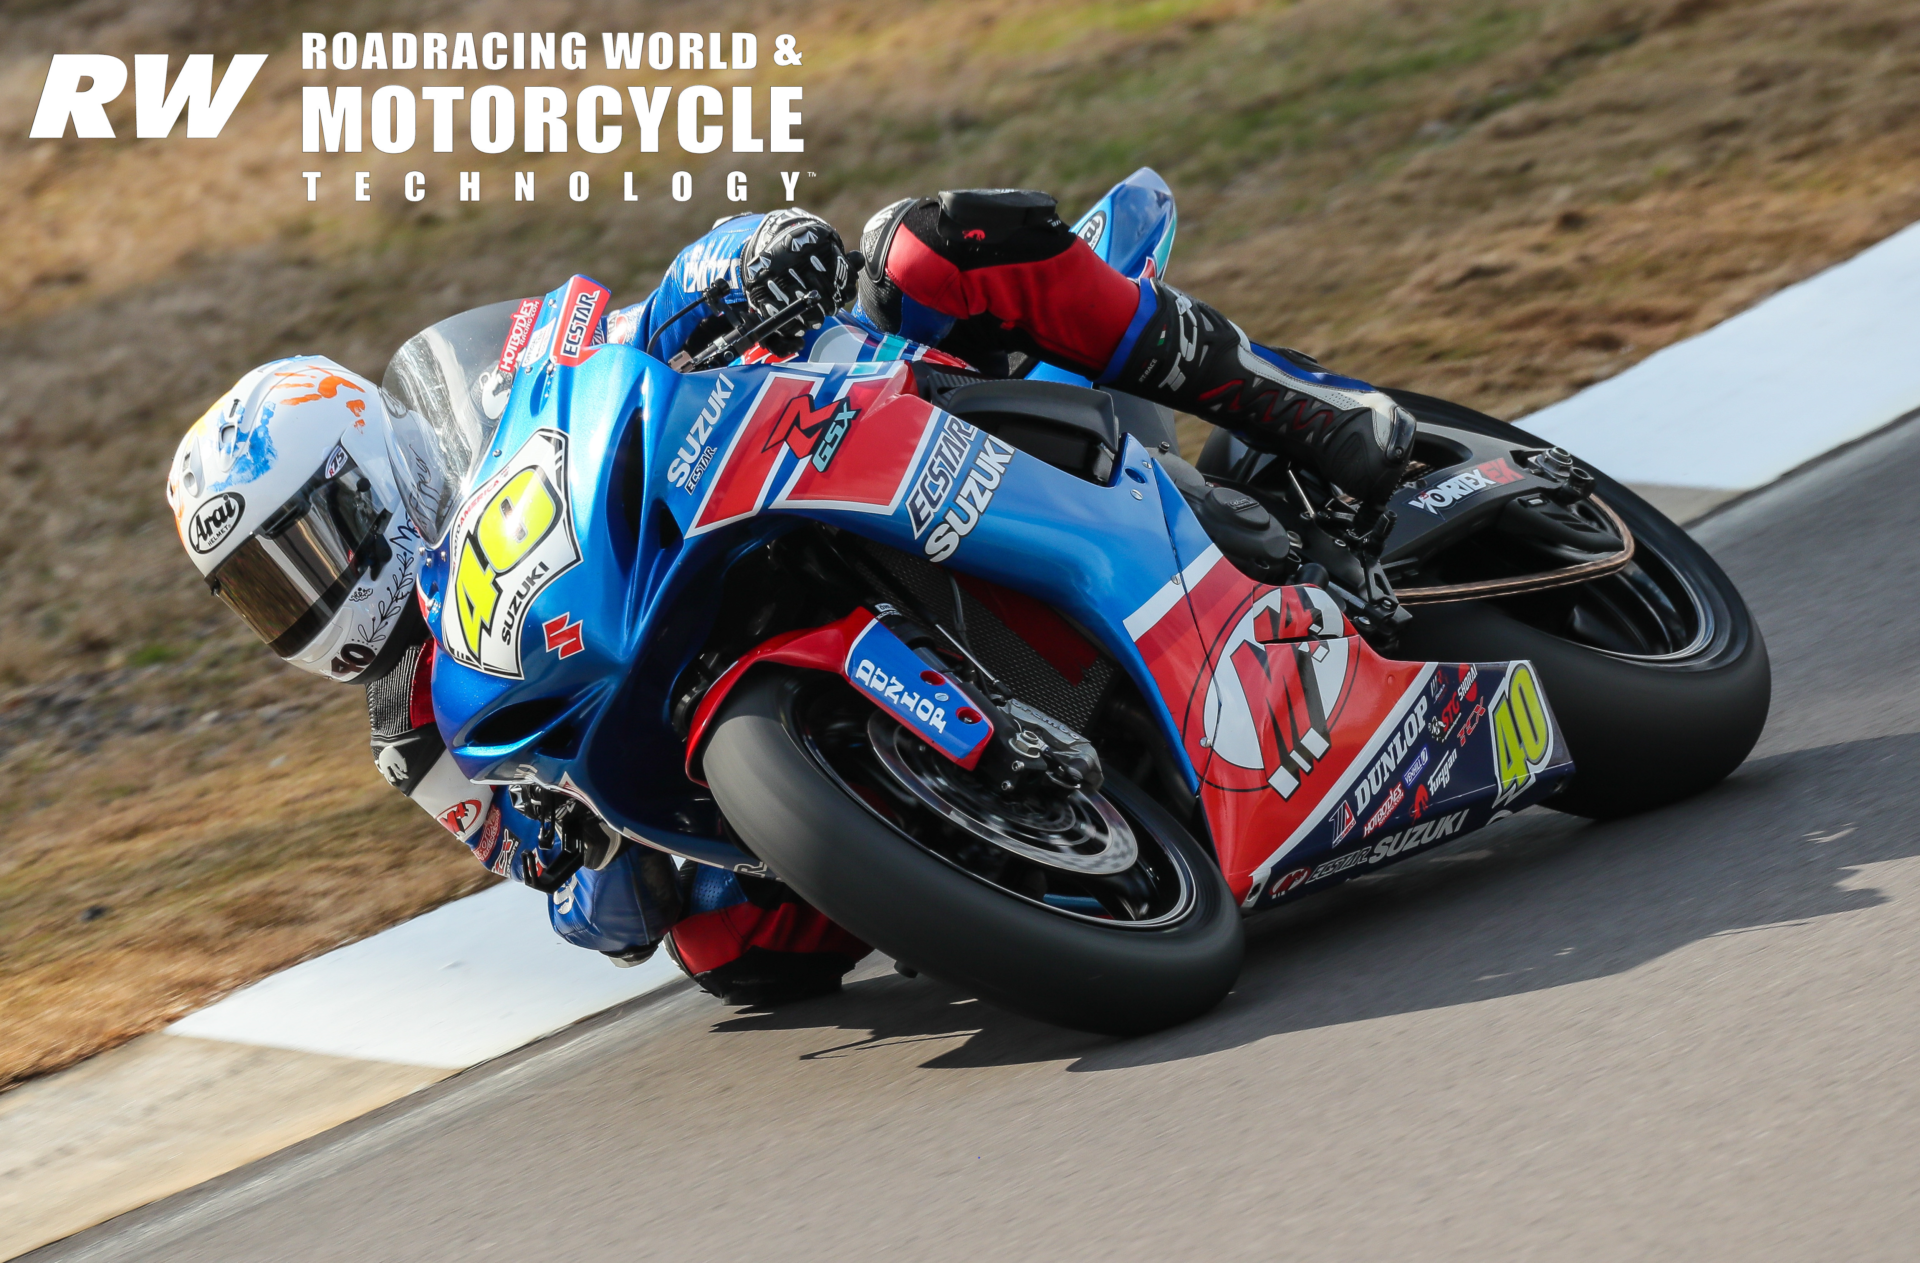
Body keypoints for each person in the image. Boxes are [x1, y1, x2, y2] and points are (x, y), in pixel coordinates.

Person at [165, 189, 1414, 1004]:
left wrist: (736, 265)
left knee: (921, 249)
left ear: (372, 462)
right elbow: (568, 898)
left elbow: (634, 326)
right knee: (727, 951)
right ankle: (974, 849)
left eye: (312, 545)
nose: (312, 597)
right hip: (677, 705)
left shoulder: (491, 393)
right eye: (266, 592)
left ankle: (1290, 404)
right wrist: (576, 860)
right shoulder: (415, 725)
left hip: (809, 442)